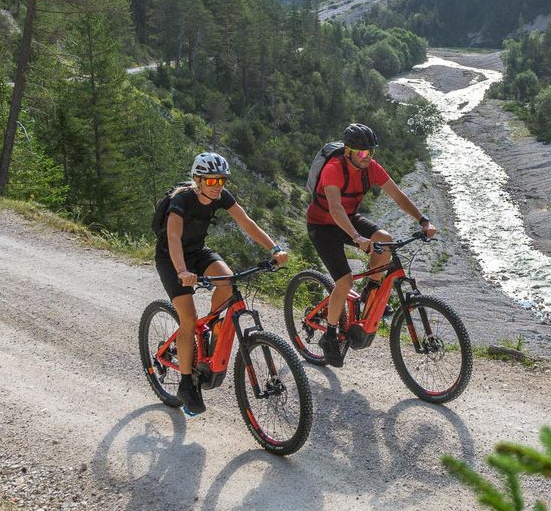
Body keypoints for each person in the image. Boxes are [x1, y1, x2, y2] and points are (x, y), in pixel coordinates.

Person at [156, 152, 288, 416]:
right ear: (197, 179)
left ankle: (214, 325)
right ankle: (186, 384)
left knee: (227, 282)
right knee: (189, 320)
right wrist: (182, 271)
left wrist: (274, 248)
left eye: (222, 181)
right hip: (173, 261)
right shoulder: (181, 200)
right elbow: (172, 237)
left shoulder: (221, 197)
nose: (218, 187)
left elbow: (247, 223)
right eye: (212, 181)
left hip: (198, 251)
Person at [305, 123, 436, 367]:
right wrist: (356, 237)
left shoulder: (370, 168)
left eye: (371, 153)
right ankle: (330, 335)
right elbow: (335, 208)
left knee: (385, 240)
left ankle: (370, 292)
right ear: (348, 152)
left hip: (350, 218)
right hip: (323, 226)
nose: (368, 158)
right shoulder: (334, 169)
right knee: (343, 281)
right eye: (362, 153)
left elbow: (397, 195)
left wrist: (423, 220)